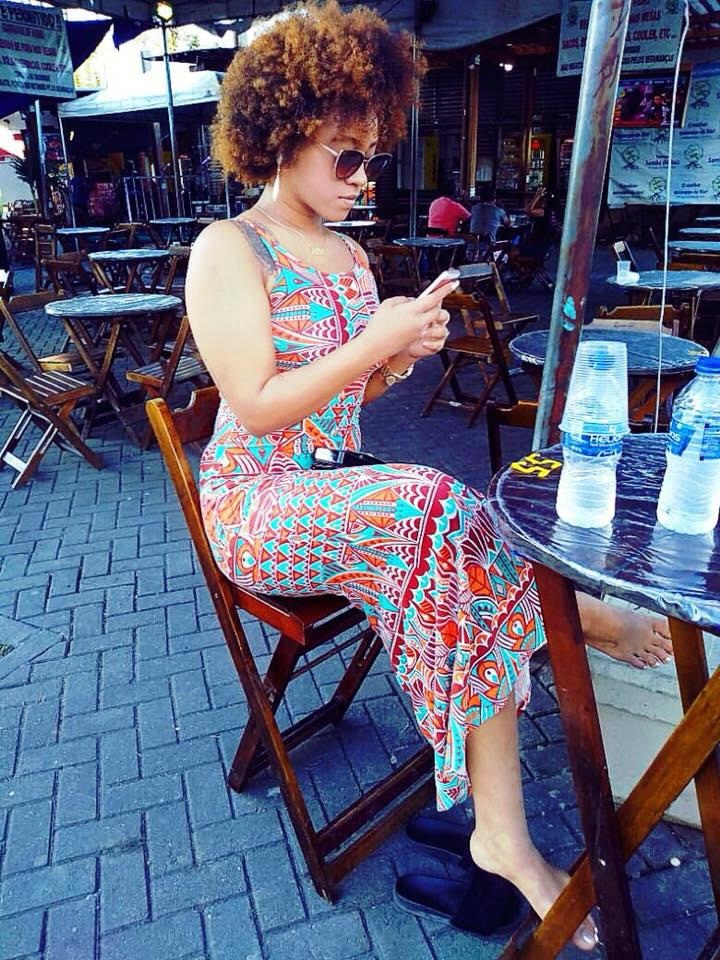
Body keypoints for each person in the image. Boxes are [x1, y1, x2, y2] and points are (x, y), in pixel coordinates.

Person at [186, 2, 671, 949]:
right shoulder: (228, 249)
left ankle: (500, 830)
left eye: (372, 156)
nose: (364, 176)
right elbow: (256, 404)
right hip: (257, 502)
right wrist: (374, 342)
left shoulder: (350, 254)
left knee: (457, 531)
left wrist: (396, 360)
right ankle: (567, 620)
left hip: (332, 483)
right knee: (433, 505)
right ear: (282, 133)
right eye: (346, 156)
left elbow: (346, 397)